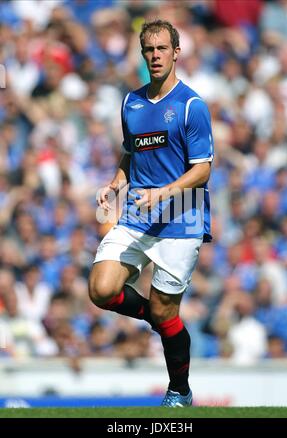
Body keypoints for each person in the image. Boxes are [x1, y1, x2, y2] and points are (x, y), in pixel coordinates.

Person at [88, 20, 214, 407]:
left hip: (181, 219)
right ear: (142, 54)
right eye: (148, 50)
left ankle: (180, 391)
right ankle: (156, 318)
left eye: (162, 49)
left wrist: (164, 193)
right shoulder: (131, 102)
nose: (155, 56)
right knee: (101, 289)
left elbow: (203, 168)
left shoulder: (191, 105)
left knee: (166, 309)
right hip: (139, 215)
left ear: (176, 52)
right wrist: (114, 183)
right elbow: (132, 153)